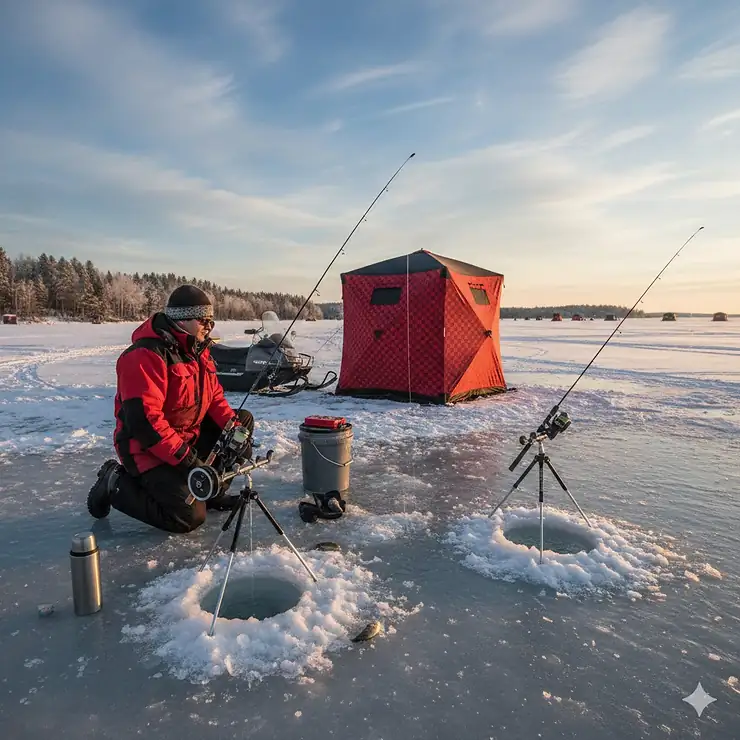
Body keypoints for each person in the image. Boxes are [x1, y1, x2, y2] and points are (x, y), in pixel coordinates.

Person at [86, 285, 254, 534]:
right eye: (204, 320)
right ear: (182, 320)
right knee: (188, 517)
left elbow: (215, 399)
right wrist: (189, 461)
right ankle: (115, 482)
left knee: (242, 420)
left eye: (211, 320)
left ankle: (210, 491)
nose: (210, 326)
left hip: (187, 438)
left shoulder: (199, 352)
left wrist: (235, 431)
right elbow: (146, 424)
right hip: (147, 449)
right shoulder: (144, 356)